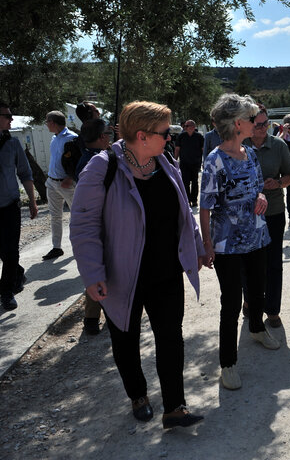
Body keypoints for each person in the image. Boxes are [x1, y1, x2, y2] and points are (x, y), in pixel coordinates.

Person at [70, 101, 206, 429]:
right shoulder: (102, 168)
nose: (171, 138)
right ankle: (139, 395)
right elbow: (83, 226)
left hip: (166, 272)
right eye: (165, 133)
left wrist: (197, 246)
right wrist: (92, 273)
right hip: (122, 277)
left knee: (171, 337)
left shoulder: (164, 162)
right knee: (125, 339)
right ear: (142, 135)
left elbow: (183, 212)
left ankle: (175, 406)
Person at [200, 93, 278, 392]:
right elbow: (205, 205)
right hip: (227, 245)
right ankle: (228, 363)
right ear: (237, 123)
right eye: (250, 118)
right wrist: (207, 245)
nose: (255, 123)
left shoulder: (250, 153)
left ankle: (257, 328)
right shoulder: (215, 160)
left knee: (257, 290)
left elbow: (257, 187)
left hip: (256, 235)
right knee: (230, 303)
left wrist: (259, 195)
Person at [243, 107, 290, 328]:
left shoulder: (279, 145)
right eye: (258, 124)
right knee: (249, 262)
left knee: (273, 262)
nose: (263, 128)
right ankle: (250, 301)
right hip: (246, 214)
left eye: (266, 124)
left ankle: (272, 309)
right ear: (248, 124)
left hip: (273, 211)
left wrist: (279, 183)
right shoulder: (239, 146)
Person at [73, 118, 112, 334]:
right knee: (101, 271)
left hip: (95, 222)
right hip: (99, 224)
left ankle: (92, 318)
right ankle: (94, 317)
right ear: (102, 137)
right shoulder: (98, 162)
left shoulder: (85, 157)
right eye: (107, 133)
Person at [0, 103, 38, 311]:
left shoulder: (13, 143)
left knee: (11, 250)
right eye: (7, 115)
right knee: (3, 251)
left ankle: (6, 292)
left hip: (9, 205)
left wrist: (32, 201)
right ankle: (17, 271)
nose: (11, 119)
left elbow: (25, 173)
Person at [43, 110, 77, 261]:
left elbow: (78, 161)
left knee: (77, 216)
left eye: (47, 121)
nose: (46, 124)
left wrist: (70, 177)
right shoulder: (54, 138)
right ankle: (57, 248)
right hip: (52, 182)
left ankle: (79, 246)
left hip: (67, 184)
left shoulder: (72, 138)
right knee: (55, 216)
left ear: (53, 123)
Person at [174, 120, 205, 208]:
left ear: (192, 127)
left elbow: (203, 149)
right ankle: (187, 200)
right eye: (185, 126)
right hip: (184, 163)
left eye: (187, 126)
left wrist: (204, 161)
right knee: (185, 182)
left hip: (196, 163)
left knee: (195, 182)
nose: (185, 127)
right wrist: (174, 161)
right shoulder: (181, 136)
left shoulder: (199, 137)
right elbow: (177, 149)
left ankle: (194, 200)